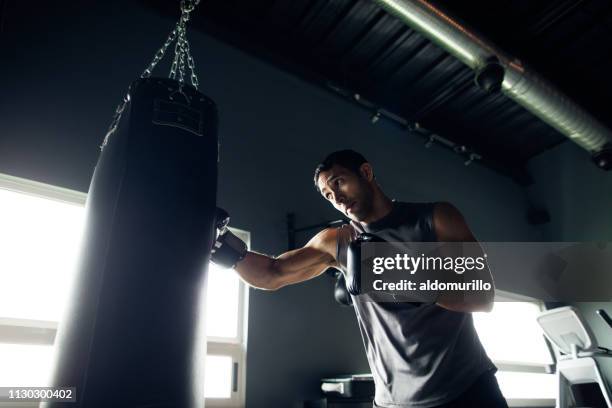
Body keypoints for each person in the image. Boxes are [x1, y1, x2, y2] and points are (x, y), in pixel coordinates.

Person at [211, 149, 507, 408]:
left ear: (366, 172)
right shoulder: (338, 242)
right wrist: (222, 246)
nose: (337, 197)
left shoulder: (436, 219)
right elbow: (272, 273)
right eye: (328, 194)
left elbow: (482, 296)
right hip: (395, 402)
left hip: (467, 390)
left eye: (339, 182)